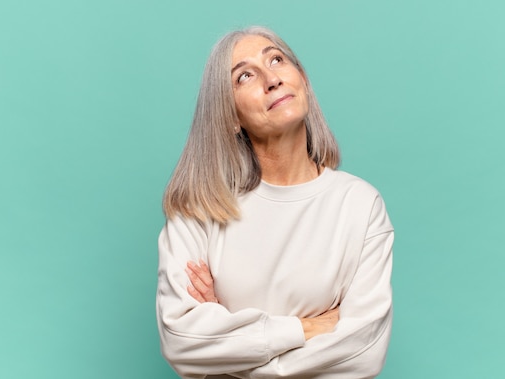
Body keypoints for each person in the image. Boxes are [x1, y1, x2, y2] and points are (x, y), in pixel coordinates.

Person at [156, 26, 394, 378]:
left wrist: (230, 344)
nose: (272, 79)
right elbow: (181, 339)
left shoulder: (360, 206)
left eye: (277, 59)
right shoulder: (200, 208)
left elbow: (362, 354)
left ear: (303, 81)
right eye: (245, 76)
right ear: (231, 116)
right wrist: (307, 328)